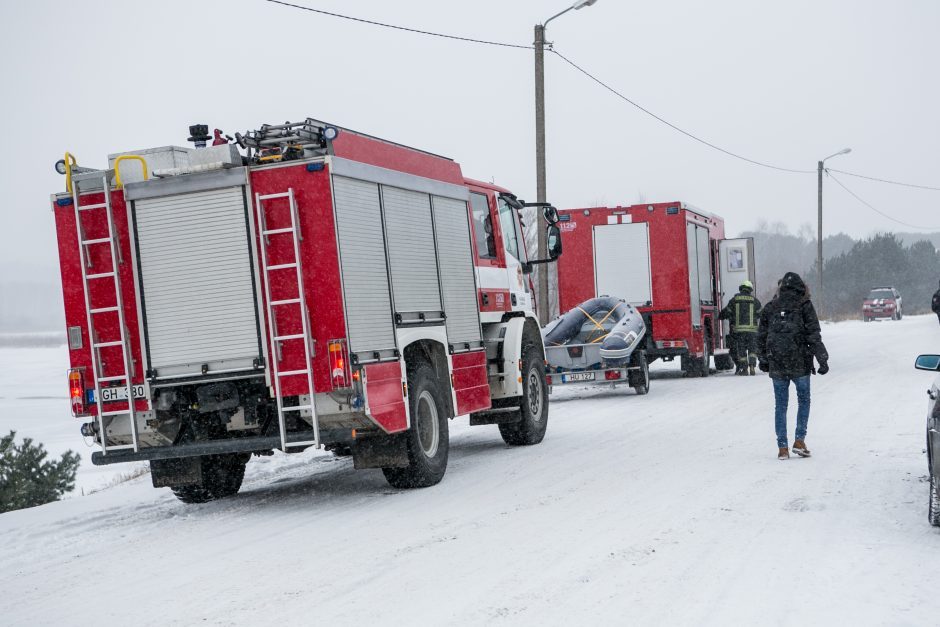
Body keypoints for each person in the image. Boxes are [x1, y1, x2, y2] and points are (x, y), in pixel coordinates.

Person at [757, 272, 829, 460]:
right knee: (803, 400)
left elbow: (761, 336)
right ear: (802, 288)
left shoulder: (771, 307)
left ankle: (782, 448)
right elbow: (813, 334)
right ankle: (799, 440)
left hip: (777, 363)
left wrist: (763, 359)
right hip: (800, 362)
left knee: (780, 405)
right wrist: (822, 358)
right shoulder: (805, 306)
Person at [720, 280, 762, 376]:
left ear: (741, 288)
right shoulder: (755, 301)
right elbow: (761, 314)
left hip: (739, 331)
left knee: (741, 349)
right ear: (750, 289)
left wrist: (720, 316)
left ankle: (744, 369)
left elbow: (726, 312)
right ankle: (752, 365)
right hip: (752, 332)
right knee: (752, 349)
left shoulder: (734, 300)